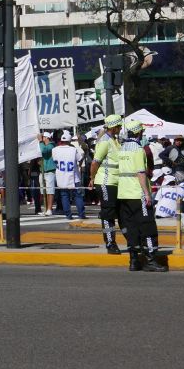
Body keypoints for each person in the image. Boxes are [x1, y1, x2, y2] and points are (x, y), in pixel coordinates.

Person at [116, 120, 166, 272]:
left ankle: (134, 260)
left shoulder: (122, 149)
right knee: (147, 226)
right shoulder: (138, 150)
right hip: (137, 193)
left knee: (131, 227)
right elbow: (140, 173)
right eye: (142, 132)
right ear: (138, 132)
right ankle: (150, 259)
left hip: (123, 194)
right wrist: (147, 194)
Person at [88, 114, 125, 255]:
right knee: (108, 214)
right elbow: (95, 162)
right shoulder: (104, 141)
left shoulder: (115, 140)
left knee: (120, 213)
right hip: (105, 182)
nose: (121, 128)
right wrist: (92, 178)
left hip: (116, 182)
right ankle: (110, 243)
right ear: (114, 127)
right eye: (119, 126)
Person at [51, 131, 85, 220]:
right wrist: (79, 165)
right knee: (78, 196)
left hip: (62, 176)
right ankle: (81, 214)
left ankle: (68, 215)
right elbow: (80, 159)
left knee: (64, 196)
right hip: (74, 176)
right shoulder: (73, 150)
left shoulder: (54, 150)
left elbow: (55, 161)